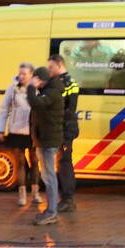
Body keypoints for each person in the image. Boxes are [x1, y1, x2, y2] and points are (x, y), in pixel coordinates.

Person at [0, 63, 41, 206]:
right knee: (20, 163)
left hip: (32, 131)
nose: (21, 76)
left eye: (24, 74)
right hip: (16, 131)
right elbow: (4, 109)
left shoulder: (37, 89)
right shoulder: (12, 88)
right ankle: (22, 195)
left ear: (31, 75)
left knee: (35, 162)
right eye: (20, 73)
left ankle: (35, 193)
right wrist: (1, 129)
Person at [26, 66, 64, 225]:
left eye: (37, 81)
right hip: (44, 139)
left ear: (42, 80)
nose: (36, 84)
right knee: (47, 176)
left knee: (49, 177)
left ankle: (51, 212)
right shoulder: (49, 90)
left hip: (48, 141)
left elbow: (36, 104)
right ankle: (51, 210)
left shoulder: (51, 92)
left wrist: (30, 87)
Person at [48, 54, 78, 212]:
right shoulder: (70, 82)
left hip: (64, 129)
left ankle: (67, 199)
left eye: (51, 67)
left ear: (59, 65)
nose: (49, 71)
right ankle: (67, 198)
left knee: (64, 164)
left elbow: (63, 108)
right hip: (66, 128)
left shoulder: (63, 84)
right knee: (64, 163)